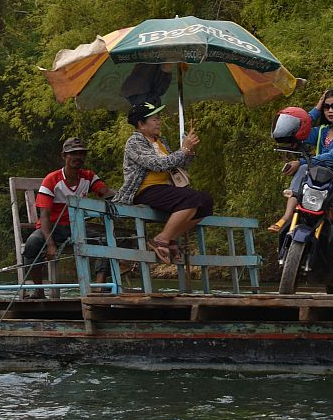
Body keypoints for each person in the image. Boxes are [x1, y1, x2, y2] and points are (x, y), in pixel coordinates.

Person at [113, 100, 213, 263]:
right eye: (154, 119)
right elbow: (158, 164)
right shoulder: (134, 142)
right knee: (192, 198)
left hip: (164, 188)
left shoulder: (160, 141)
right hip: (144, 190)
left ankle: (171, 237)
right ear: (141, 124)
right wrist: (183, 150)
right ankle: (161, 239)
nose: (159, 122)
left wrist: (189, 151)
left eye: (159, 118)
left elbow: (176, 164)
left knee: (206, 202)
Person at [23, 138, 111, 293]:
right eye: (73, 153)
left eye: (81, 154)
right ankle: (38, 290)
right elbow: (44, 216)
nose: (78, 157)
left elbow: (106, 192)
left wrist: (131, 195)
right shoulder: (52, 180)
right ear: (64, 156)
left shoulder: (88, 176)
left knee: (105, 241)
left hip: (77, 227)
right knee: (32, 243)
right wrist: (50, 244)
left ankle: (99, 287)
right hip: (52, 229)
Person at [274, 89, 333, 231]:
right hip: (320, 178)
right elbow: (299, 130)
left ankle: (328, 229)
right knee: (304, 170)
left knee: (305, 168)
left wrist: (301, 162)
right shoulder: (322, 131)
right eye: (326, 107)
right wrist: (316, 109)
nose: (330, 110)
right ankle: (287, 215)